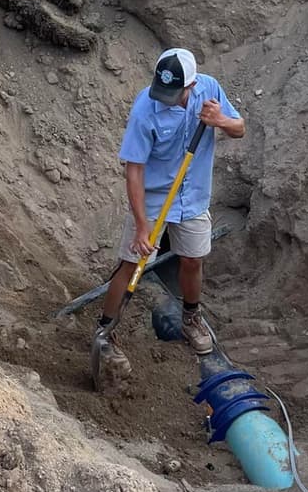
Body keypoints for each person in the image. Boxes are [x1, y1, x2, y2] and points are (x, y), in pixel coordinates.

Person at [96, 48, 244, 361]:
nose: (165, 98)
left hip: (193, 195)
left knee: (192, 259)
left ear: (191, 86)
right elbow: (133, 169)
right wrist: (141, 226)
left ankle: (191, 318)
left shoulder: (209, 89)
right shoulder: (145, 108)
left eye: (174, 93)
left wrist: (220, 120)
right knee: (132, 263)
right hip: (153, 197)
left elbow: (239, 129)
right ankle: (105, 331)